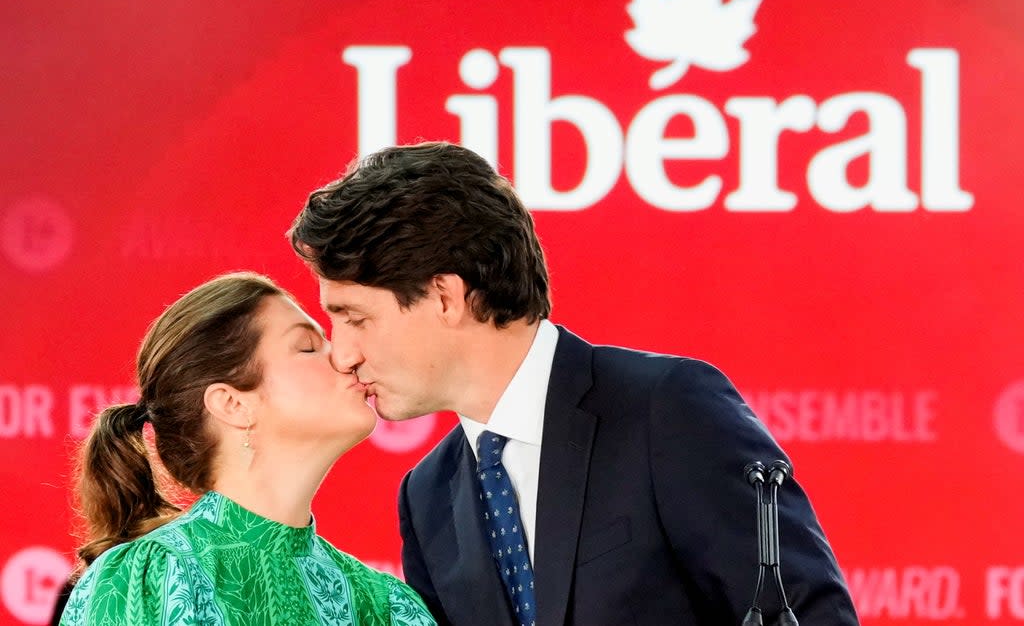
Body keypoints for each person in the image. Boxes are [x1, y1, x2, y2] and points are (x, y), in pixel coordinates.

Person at [289, 142, 860, 626]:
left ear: (445, 296)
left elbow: (802, 615)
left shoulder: (666, 409)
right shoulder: (427, 496)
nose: (343, 354)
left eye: (356, 318)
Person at [60, 272, 436, 626]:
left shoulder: (384, 604)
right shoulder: (151, 577)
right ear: (232, 404)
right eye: (307, 347)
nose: (345, 358)